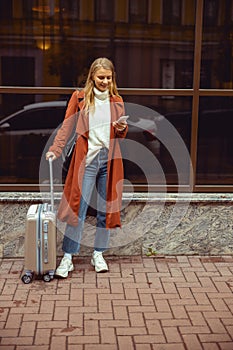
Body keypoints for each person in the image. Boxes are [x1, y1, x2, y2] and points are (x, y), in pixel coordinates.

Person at [46, 57, 128, 278]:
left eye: (109, 78)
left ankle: (98, 254)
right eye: (101, 77)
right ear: (92, 76)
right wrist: (55, 148)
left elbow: (120, 135)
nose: (105, 81)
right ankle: (68, 257)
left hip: (109, 161)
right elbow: (67, 126)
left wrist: (121, 127)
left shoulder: (116, 99)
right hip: (87, 162)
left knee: (105, 210)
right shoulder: (80, 98)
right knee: (77, 210)